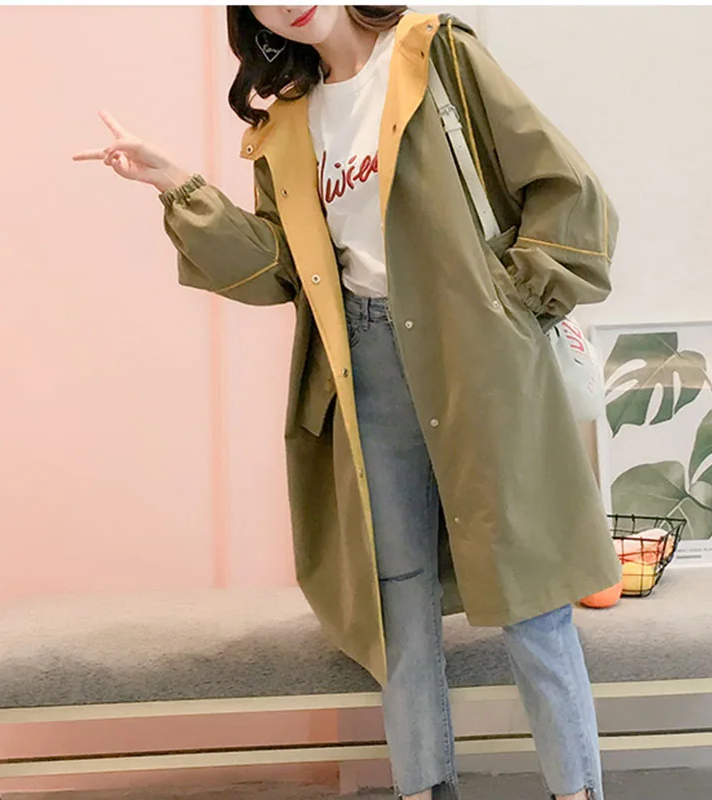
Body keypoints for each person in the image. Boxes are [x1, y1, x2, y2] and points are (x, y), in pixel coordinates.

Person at [74, 7, 622, 800]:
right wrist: (176, 184)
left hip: (473, 350)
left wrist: (510, 301)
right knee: (397, 603)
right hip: (361, 361)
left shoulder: (435, 54)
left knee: (531, 589)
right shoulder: (289, 121)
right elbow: (278, 268)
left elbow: (560, 182)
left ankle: (576, 792)